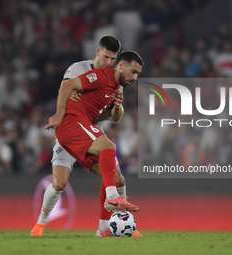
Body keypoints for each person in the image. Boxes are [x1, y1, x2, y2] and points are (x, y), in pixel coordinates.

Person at [31, 36, 142, 237]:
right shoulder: (81, 69)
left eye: (112, 59)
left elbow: (113, 116)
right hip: (73, 125)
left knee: (117, 177)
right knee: (59, 184)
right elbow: (67, 88)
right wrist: (59, 112)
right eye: (106, 57)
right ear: (97, 52)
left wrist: (117, 106)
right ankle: (40, 224)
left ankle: (107, 227)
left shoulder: (116, 82)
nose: (109, 62)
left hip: (92, 129)